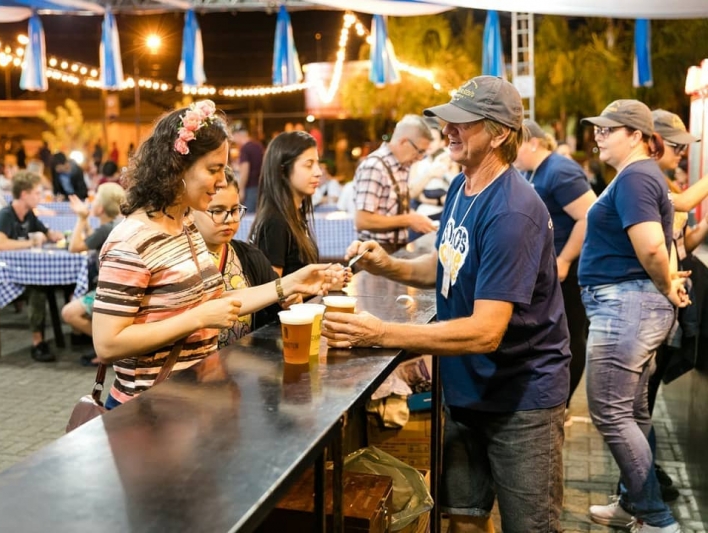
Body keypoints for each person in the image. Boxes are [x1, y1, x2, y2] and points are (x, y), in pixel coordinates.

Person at [322, 76, 571, 532]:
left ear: (499, 133)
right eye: (447, 121)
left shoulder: (513, 211)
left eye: (463, 122)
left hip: (522, 401)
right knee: (462, 519)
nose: (448, 130)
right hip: (465, 389)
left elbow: (485, 330)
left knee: (530, 528)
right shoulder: (463, 186)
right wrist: (388, 267)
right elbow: (445, 262)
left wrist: (382, 334)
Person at [91, 100, 340, 409]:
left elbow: (219, 301)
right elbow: (107, 343)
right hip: (147, 412)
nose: (222, 181)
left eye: (224, 169)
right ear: (176, 167)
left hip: (195, 400)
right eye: (213, 169)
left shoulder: (185, 227)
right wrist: (196, 318)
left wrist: (291, 283)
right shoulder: (131, 240)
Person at [580, 100, 689, 533]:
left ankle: (656, 519)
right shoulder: (641, 175)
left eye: (609, 130)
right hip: (632, 305)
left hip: (626, 306)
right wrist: (665, 286)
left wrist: (665, 284)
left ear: (637, 136)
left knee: (609, 411)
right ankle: (633, 503)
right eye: (598, 129)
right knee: (633, 413)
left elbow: (649, 246)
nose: (598, 136)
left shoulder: (637, 176)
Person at [638, 109, 705, 503]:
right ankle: (639, 488)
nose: (681, 153)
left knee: (643, 401)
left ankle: (640, 482)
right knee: (635, 405)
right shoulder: (645, 182)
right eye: (677, 146)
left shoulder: (656, 181)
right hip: (648, 308)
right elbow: (680, 201)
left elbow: (678, 246)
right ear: (653, 142)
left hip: (665, 307)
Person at [514, 119, 597, 425]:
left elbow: (590, 216)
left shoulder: (560, 170)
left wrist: (564, 259)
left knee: (570, 336)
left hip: (568, 271)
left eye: (516, 144)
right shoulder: (532, 171)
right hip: (547, 272)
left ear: (533, 142)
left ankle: (561, 405)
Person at [192, 168, 282, 347]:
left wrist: (289, 301)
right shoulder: (177, 261)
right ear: (190, 211)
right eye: (217, 211)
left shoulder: (250, 257)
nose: (230, 219)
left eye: (234, 210)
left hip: (244, 370)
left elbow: (276, 313)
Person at [0, 170, 64, 363]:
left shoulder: (29, 215)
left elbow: (48, 233)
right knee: (37, 288)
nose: (40, 196)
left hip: (20, 272)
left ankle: (73, 335)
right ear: (24, 194)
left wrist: (56, 235)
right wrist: (32, 243)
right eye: (37, 193)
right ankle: (37, 343)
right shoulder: (6, 215)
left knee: (43, 284)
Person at [61, 182, 126, 365]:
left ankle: (110, 347)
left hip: (109, 292)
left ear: (101, 207)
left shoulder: (107, 229)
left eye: (95, 198)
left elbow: (74, 247)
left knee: (69, 312)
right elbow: (94, 239)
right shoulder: (118, 224)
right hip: (120, 288)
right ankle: (108, 347)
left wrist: (82, 218)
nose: (92, 202)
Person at [353, 115, 436, 253]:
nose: (420, 158)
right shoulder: (375, 166)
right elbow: (362, 220)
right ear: (404, 142)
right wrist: (409, 219)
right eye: (420, 151)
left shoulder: (402, 166)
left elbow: (389, 209)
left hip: (396, 250)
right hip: (374, 252)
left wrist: (416, 218)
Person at [249, 131, 321, 276]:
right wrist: (322, 283)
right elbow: (273, 291)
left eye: (317, 163)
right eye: (308, 165)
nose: (318, 172)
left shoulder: (295, 214)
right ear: (283, 170)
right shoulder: (275, 222)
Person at [232, 126, 265, 211]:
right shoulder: (258, 146)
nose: (234, 140)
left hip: (250, 187)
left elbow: (245, 169)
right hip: (260, 187)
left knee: (248, 216)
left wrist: (241, 189)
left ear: (238, 135)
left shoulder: (245, 148)